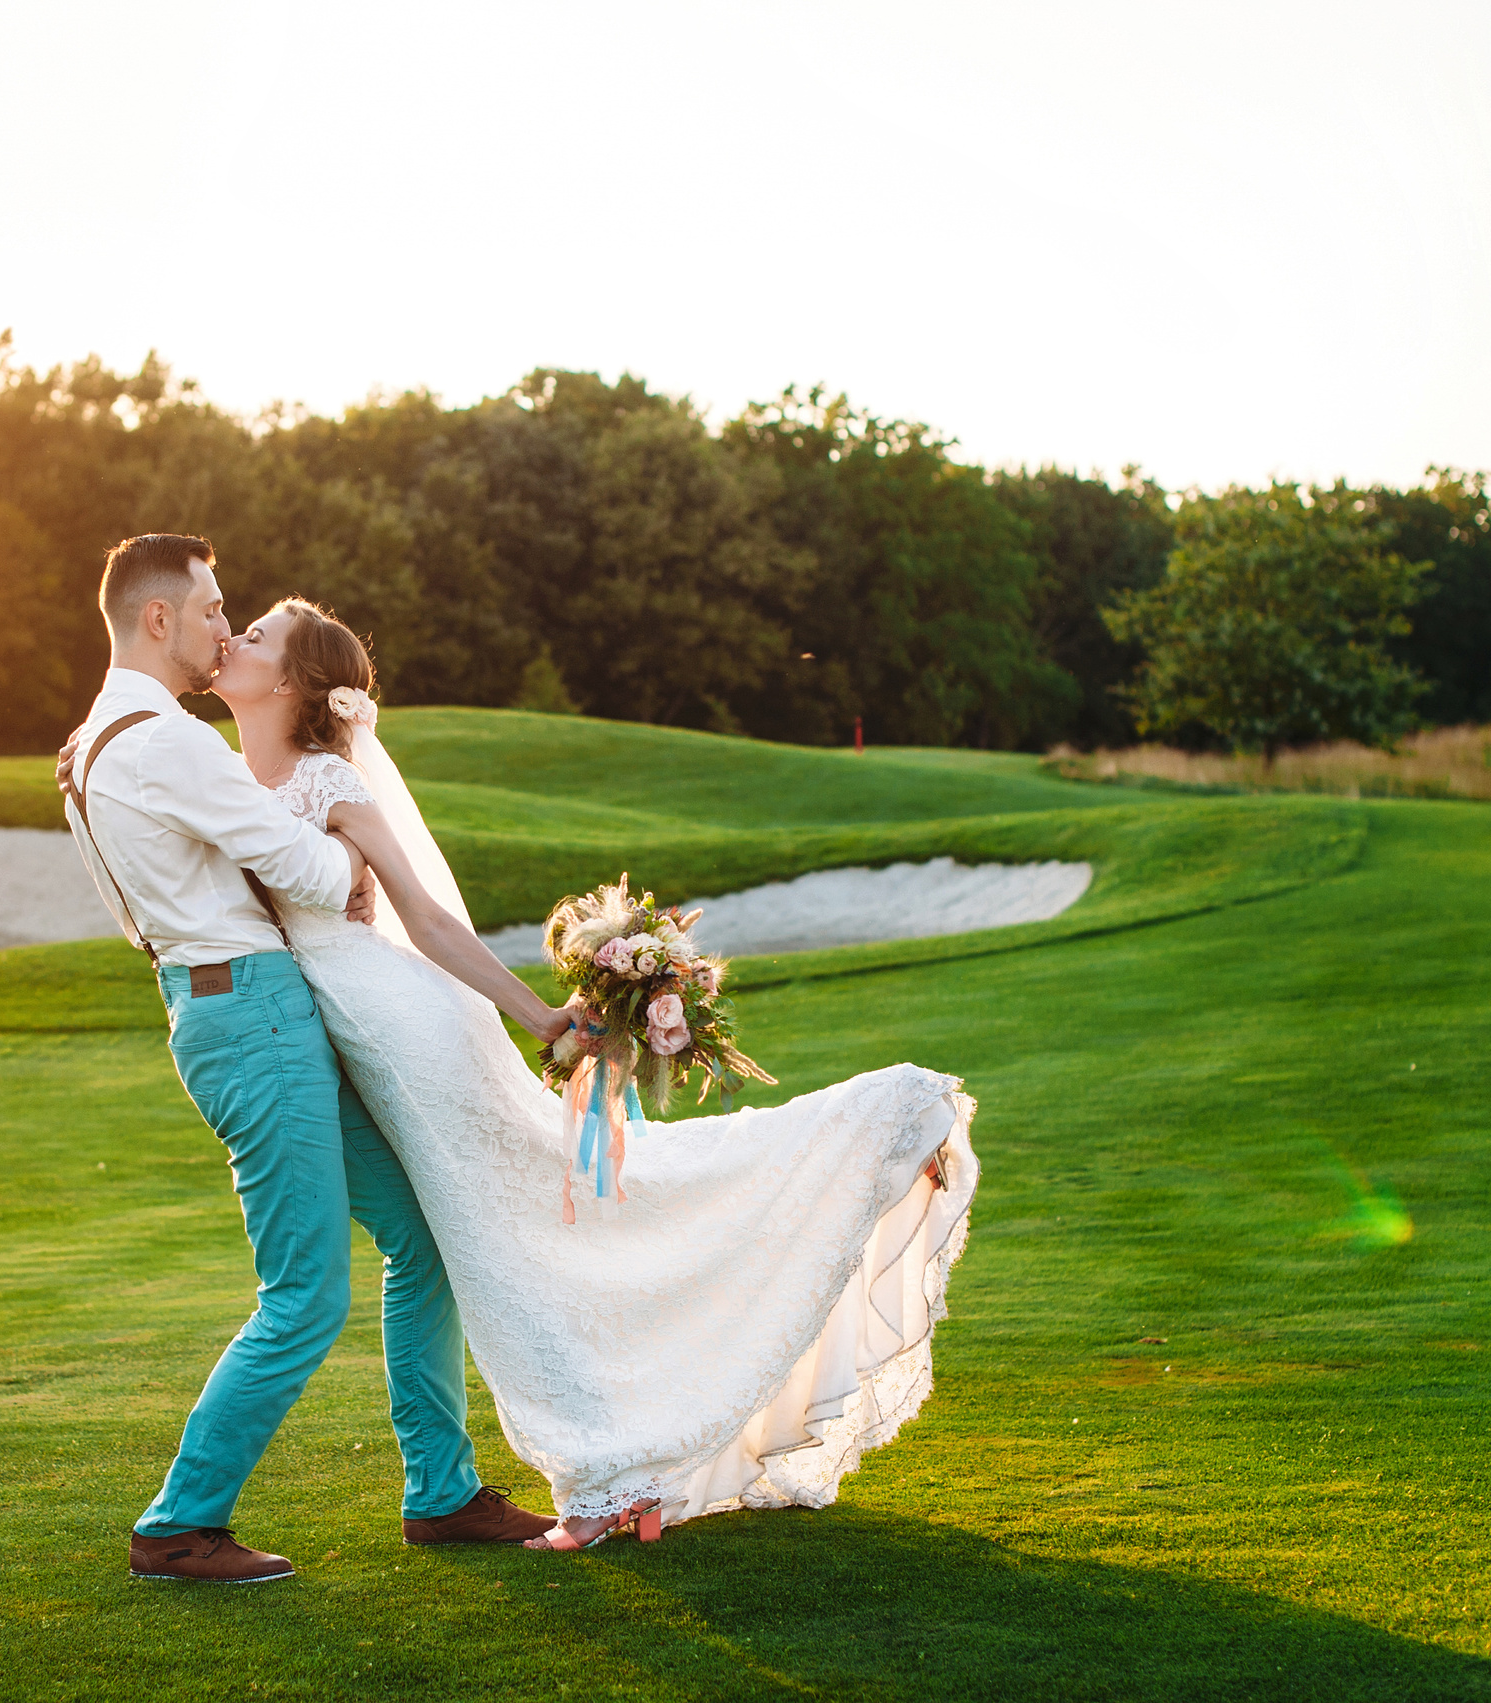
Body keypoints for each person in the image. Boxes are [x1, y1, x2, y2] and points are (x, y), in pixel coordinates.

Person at [207, 597, 981, 1551]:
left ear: (287, 681)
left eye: (256, 637)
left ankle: (611, 1466)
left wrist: (539, 1015)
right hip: (357, 1038)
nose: (233, 638)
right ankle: (537, 1479)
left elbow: (432, 920)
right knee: (473, 1241)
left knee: (507, 1233)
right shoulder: (230, 775)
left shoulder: (328, 781)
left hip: (411, 1034)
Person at [54, 535, 560, 1584]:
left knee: (418, 1238)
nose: (218, 627)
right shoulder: (166, 740)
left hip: (238, 1003)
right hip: (251, 1013)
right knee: (304, 1295)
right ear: (158, 619)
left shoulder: (92, 744)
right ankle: (180, 1520)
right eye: (208, 608)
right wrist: (345, 866)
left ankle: (442, 1491)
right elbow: (298, 862)